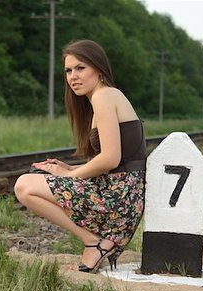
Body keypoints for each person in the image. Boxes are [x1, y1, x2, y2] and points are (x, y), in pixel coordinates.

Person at [14, 39, 146, 274]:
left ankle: (93, 243)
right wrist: (69, 168)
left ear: (99, 68)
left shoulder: (104, 96)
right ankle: (96, 243)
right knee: (35, 181)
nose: (73, 76)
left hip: (117, 200)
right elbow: (115, 161)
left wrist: (71, 174)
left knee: (24, 185)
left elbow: (110, 159)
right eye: (68, 70)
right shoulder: (105, 97)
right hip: (121, 196)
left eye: (80, 68)